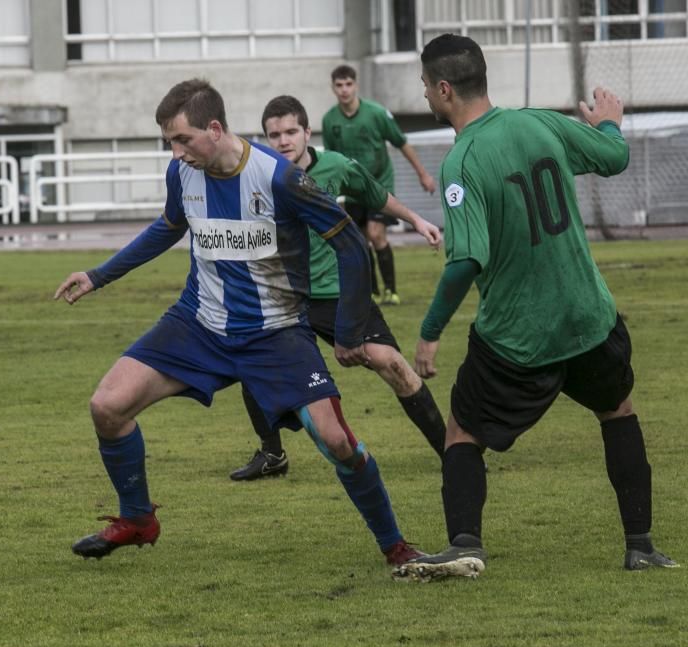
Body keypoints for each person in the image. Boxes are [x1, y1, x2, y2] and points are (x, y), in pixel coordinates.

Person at [55, 78, 424, 567]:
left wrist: (350, 332)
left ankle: (396, 547)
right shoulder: (181, 173)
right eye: (169, 142)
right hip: (199, 324)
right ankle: (139, 519)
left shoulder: (279, 179)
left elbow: (351, 245)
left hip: (276, 334)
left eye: (182, 139)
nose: (176, 152)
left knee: (337, 442)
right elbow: (168, 227)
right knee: (107, 406)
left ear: (214, 128)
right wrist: (99, 275)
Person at [393, 34, 677, 582]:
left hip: (518, 336)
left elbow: (465, 261)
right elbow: (615, 156)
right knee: (617, 412)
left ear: (445, 88)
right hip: (589, 318)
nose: (425, 94)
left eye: (426, 86)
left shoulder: (462, 162)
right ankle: (640, 546)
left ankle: (464, 545)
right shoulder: (540, 122)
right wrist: (610, 121)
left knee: (461, 433)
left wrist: (429, 332)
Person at [229, 94, 447, 482]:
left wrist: (416, 219)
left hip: (337, 294)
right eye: (274, 134)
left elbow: (377, 196)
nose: (283, 141)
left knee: (393, 364)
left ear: (307, 132)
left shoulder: (336, 167)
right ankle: (272, 453)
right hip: (285, 295)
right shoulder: (257, 176)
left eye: (291, 131)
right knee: (253, 361)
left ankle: (451, 452)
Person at [323, 64, 437, 306]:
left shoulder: (375, 113)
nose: (344, 90)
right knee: (360, 240)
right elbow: (330, 161)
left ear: (356, 85)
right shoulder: (329, 120)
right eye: (339, 85)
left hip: (379, 184)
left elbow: (401, 142)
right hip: (351, 191)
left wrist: (423, 174)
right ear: (333, 88)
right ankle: (372, 292)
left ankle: (391, 291)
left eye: (348, 84)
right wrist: (334, 196)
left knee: (376, 234)